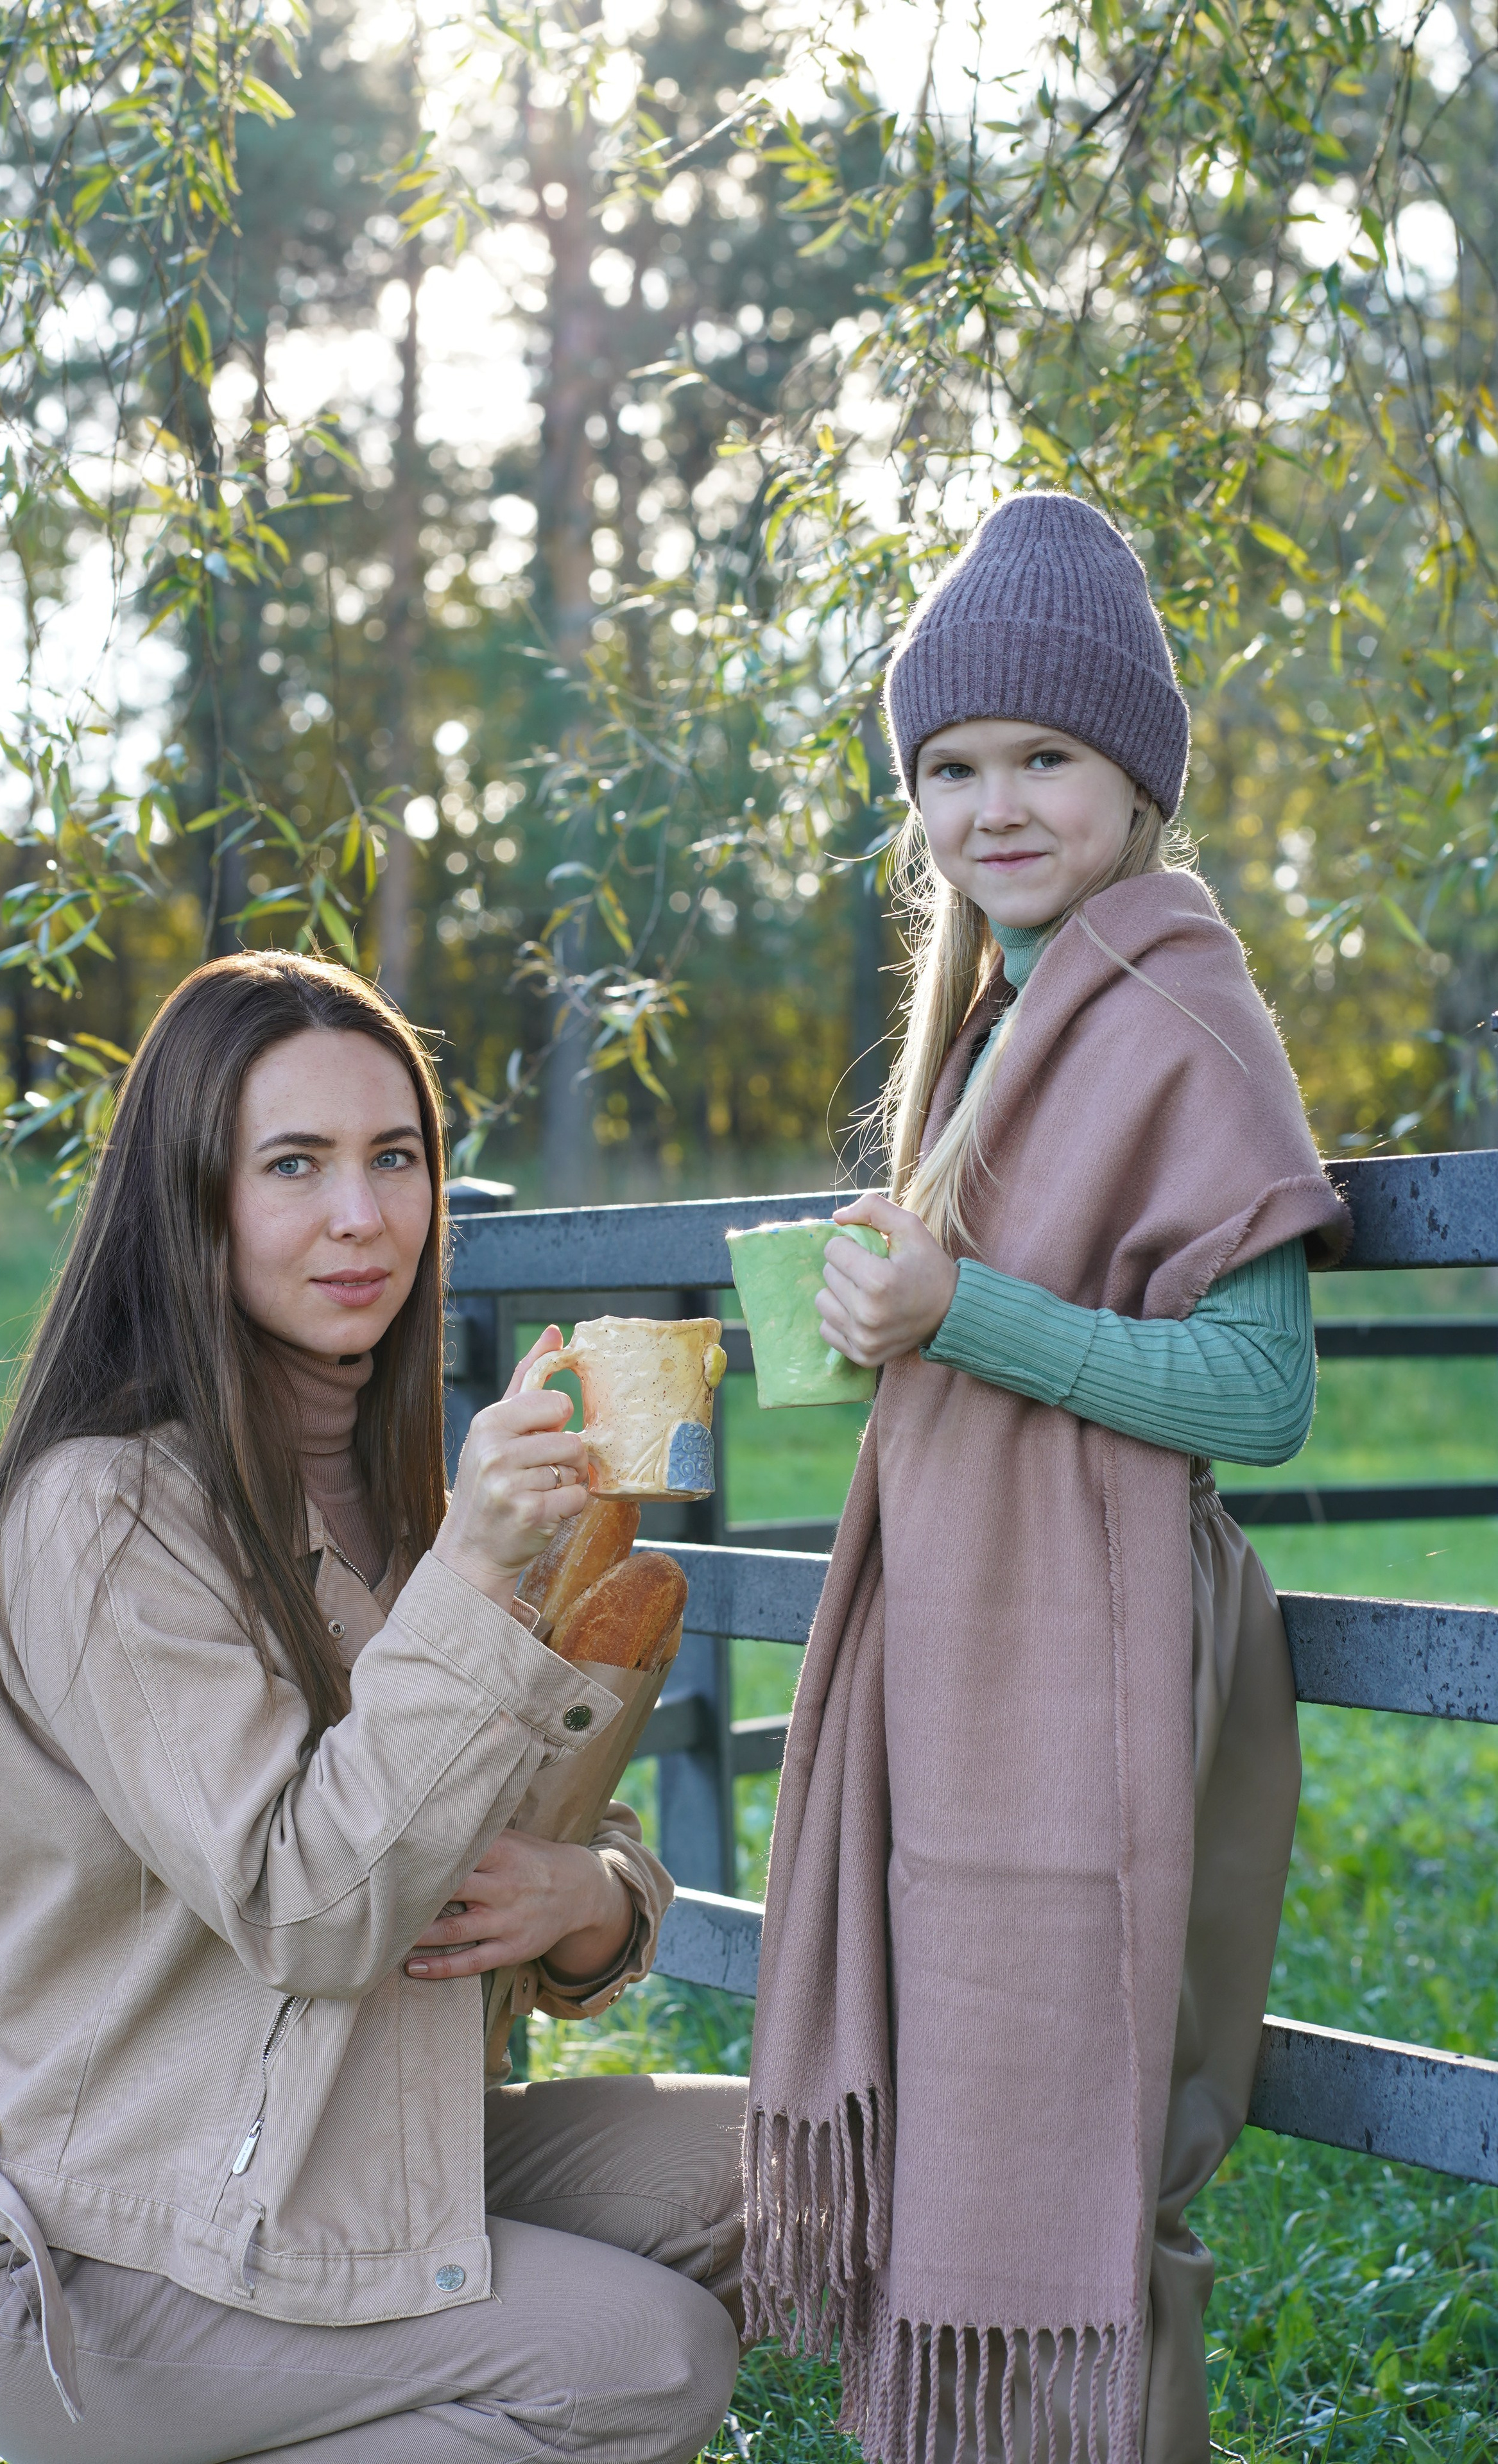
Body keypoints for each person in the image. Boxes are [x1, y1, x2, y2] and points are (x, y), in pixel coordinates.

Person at [0, 951, 744, 2464]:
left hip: (348, 2151)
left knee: (816, 2173)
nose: (362, 1216)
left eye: (395, 1158)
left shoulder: (415, 1501)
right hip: (104, 2251)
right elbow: (312, 1909)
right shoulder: (104, 1517)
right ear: (192, 1196)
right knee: (634, 2359)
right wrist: (479, 1569)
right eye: (293, 1164)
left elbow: (572, 1831)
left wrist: (586, 1895)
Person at [742, 493, 1350, 2464]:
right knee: (956, 2114)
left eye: (1043, 759)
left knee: (1096, 2159)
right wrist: (882, 1311)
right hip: (979, 1646)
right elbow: (985, 1323)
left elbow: (1258, 1395)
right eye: (949, 766)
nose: (993, 804)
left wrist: (966, 1316)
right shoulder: (1000, 1021)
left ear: (1135, 775)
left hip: (1094, 1666)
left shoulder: (1177, 1011)